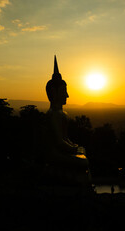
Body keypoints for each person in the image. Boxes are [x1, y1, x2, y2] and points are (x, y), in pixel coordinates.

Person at [44, 56, 90, 184]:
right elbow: (59, 143)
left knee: (83, 151)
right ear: (54, 92)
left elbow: (65, 139)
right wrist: (74, 149)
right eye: (64, 91)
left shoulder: (62, 113)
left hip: (63, 152)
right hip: (54, 155)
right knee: (83, 161)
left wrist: (74, 146)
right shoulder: (53, 114)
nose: (67, 95)